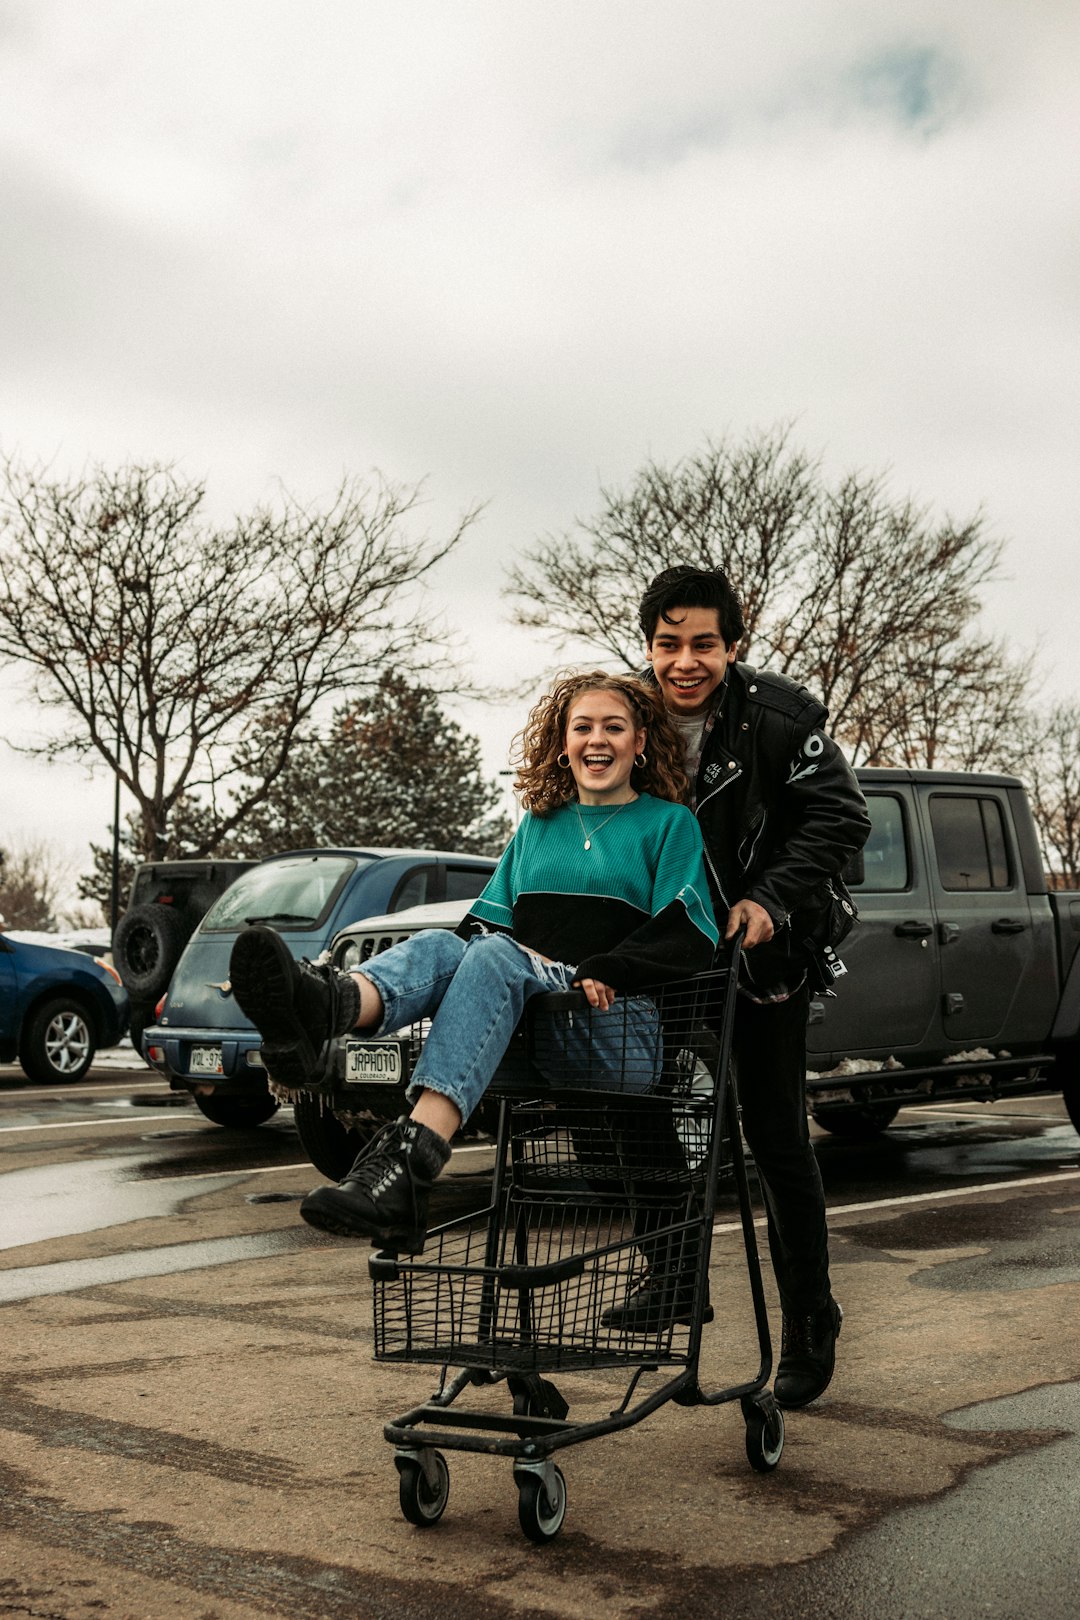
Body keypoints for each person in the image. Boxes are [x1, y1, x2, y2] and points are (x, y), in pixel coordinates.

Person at [230, 670, 719, 1259]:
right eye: (582, 727)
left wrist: (610, 966)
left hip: (617, 1029)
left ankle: (410, 1159)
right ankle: (328, 1006)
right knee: (446, 946)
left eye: (614, 728)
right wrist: (497, 961)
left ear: (639, 743)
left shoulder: (668, 825)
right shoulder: (539, 827)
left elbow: (691, 929)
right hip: (535, 1030)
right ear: (562, 743)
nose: (597, 740)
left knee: (490, 954)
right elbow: (484, 931)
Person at [639, 564, 871, 1409]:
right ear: (650, 647)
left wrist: (770, 900)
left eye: (703, 643)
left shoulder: (780, 717)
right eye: (669, 644)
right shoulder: (627, 717)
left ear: (733, 645)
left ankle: (812, 1320)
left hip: (761, 960)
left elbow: (843, 816)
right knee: (625, 1104)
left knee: (775, 1141)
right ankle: (671, 1274)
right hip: (664, 957)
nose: (685, 661)